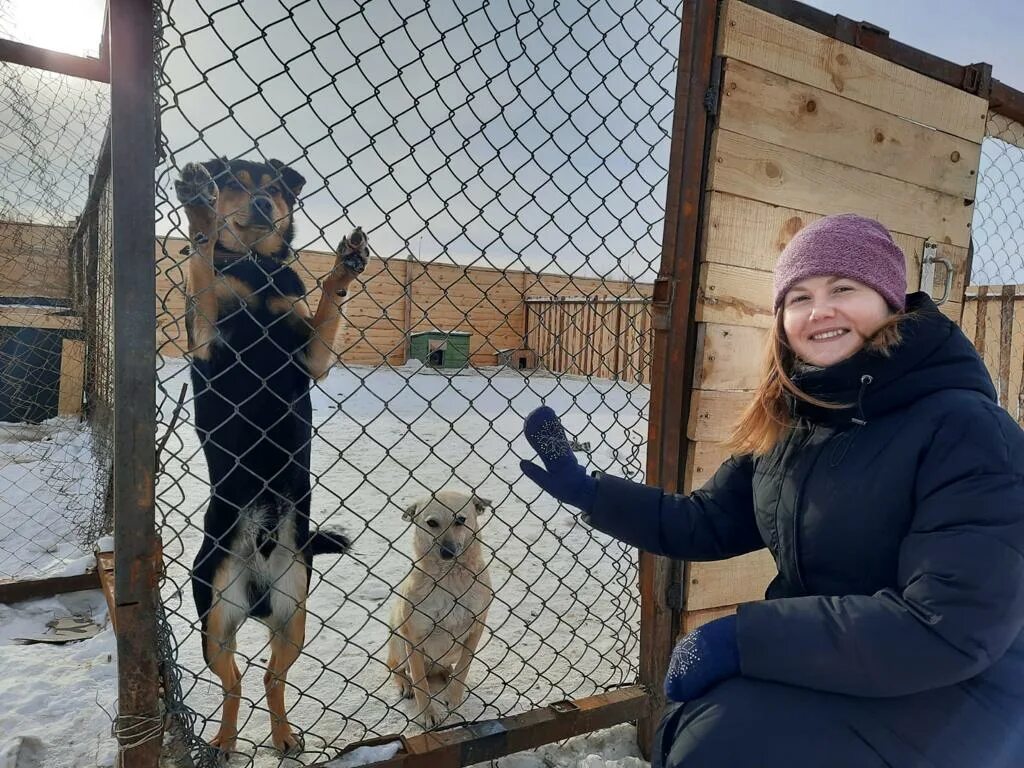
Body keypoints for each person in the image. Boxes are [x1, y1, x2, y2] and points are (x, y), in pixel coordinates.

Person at [519, 214, 1024, 767]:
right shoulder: (796, 418)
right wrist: (592, 492)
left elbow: (949, 627)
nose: (819, 311)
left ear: (889, 302)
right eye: (798, 296)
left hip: (960, 683)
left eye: (843, 288)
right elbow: (707, 520)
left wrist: (744, 640)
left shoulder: (968, 430)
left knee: (723, 749)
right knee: (705, 737)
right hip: (839, 660)